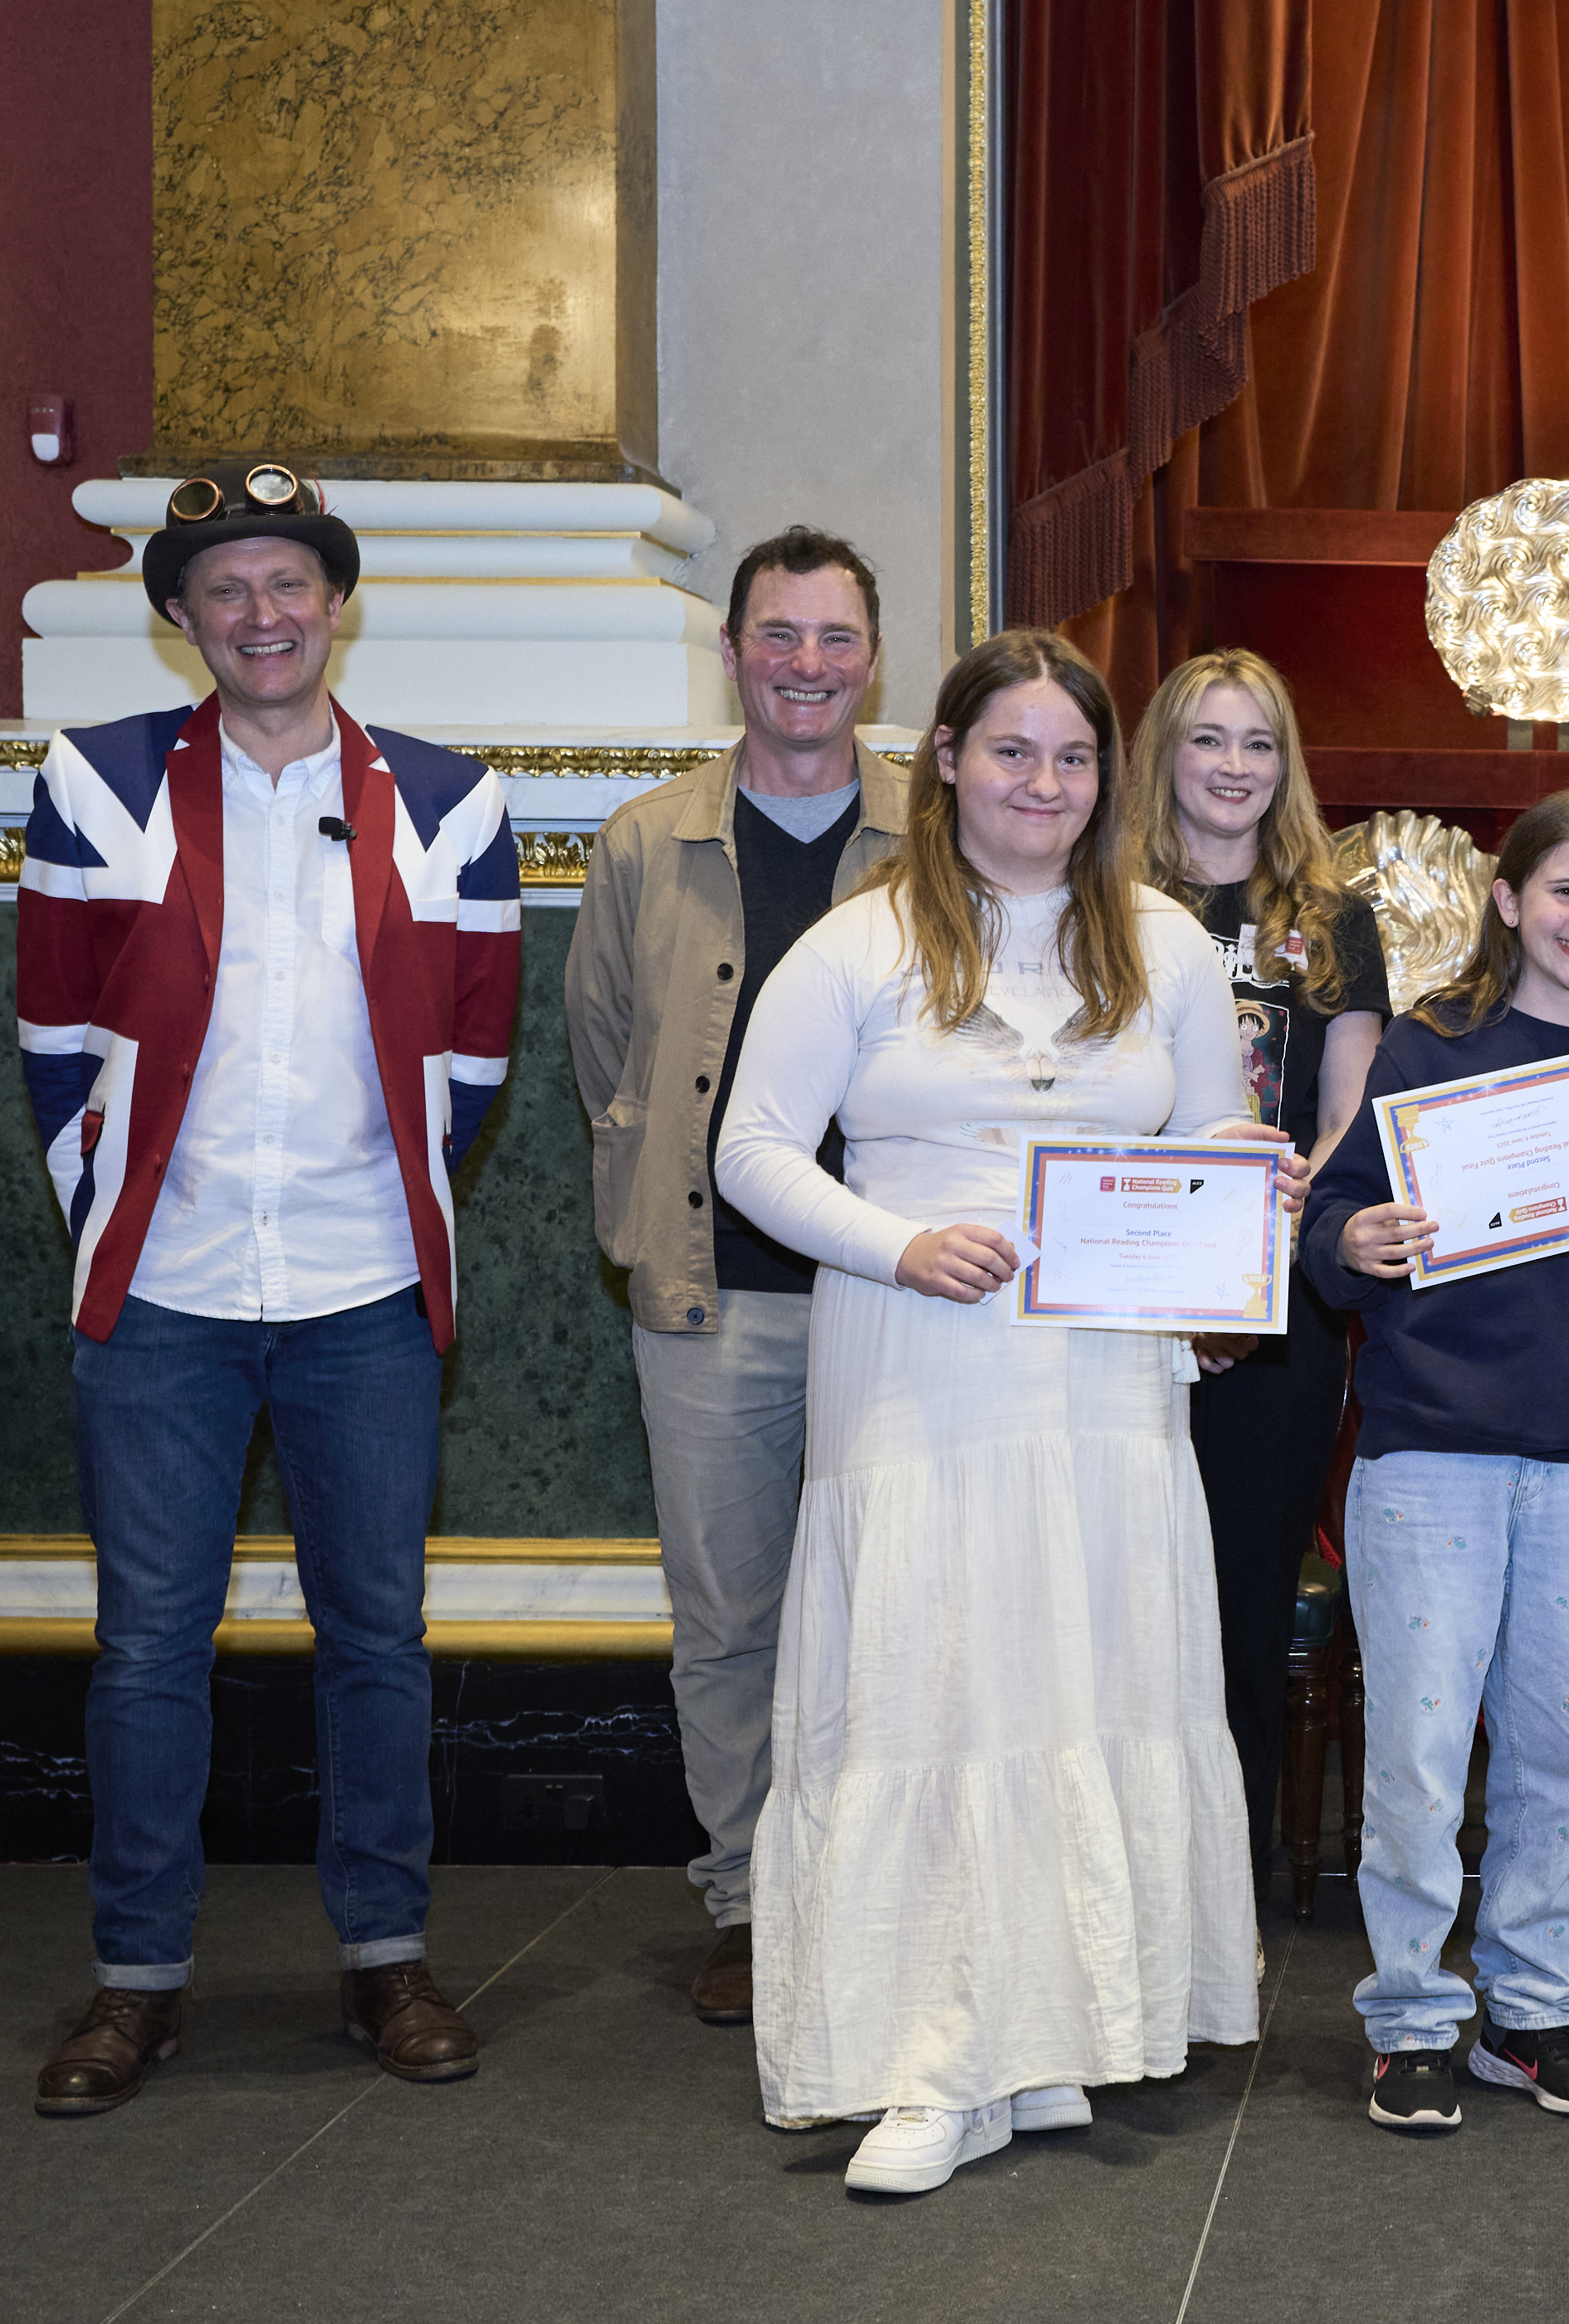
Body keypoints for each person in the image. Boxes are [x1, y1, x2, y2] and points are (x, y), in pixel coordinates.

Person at [712, 628, 1297, 2196]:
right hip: (915, 1361)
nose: (1044, 782)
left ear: (1105, 779)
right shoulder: (856, 946)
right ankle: (924, 2059)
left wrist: (1250, 1198)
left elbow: (1214, 1131)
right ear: (950, 761)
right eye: (1013, 750)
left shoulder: (1165, 946)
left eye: (1073, 756)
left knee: (1077, 1679)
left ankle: (1048, 2036)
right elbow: (752, 1154)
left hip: (1103, 1380)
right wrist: (898, 1243)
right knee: (931, 1682)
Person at [17, 461, 521, 2114]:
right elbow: (53, 1038)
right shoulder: (96, 787)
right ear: (180, 618)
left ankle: (387, 1953)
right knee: (148, 1644)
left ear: (335, 601)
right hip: (160, 1289)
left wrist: (378, 1195)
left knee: (376, 1634)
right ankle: (135, 1980)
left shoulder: (448, 799)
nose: (260, 614)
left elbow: (471, 1052)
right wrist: (118, 1212)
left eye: (288, 582)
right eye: (223, 589)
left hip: (364, 1286)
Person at [1301, 789, 1569, 2131]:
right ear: (1508, 899)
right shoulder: (1434, 1043)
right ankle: (1413, 2017)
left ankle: (1531, 2011)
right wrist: (1352, 1242)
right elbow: (1334, 1222)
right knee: (1423, 1753)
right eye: (1565, 893)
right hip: (1432, 1447)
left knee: (1554, 1750)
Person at [564, 527, 907, 2026]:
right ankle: (750, 1898)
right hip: (713, 1298)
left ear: (873, 660)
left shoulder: (940, 834)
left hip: (900, 1292)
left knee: (897, 1600)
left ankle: (885, 1890)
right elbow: (605, 1061)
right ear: (734, 654)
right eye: (780, 636)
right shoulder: (647, 843)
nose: (808, 666)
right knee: (730, 1614)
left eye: (836, 639)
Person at [1123, 648, 1388, 1874]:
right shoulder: (1105, 901)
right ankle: (1122, 1863)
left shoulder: (1331, 921)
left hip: (1274, 1295)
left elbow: (1351, 1110)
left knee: (1241, 1590)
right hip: (1126, 1287)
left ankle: (1220, 1877)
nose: (1235, 768)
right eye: (1209, 740)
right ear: (1164, 755)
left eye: (1260, 744)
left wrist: (1301, 1190)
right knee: (1124, 1580)